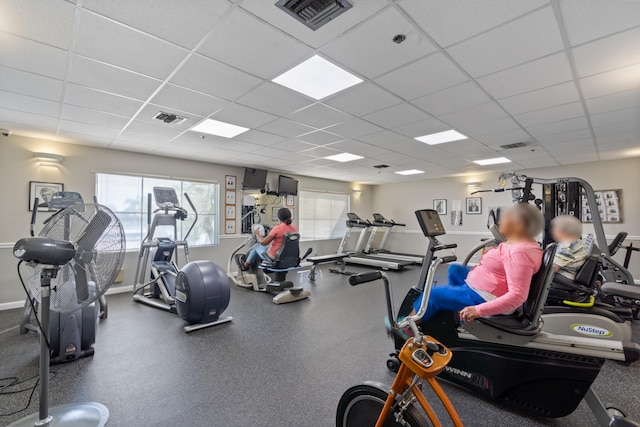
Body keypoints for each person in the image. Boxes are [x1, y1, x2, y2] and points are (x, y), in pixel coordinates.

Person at [390, 203, 544, 334]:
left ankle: (407, 328)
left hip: (486, 296)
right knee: (454, 270)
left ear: (519, 226)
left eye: (506, 218)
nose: (501, 221)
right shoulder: (522, 243)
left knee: (433, 295)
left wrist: (478, 311)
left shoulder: (519, 253)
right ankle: (455, 311)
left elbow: (517, 296)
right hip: (488, 285)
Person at [550, 215, 589, 280]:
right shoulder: (576, 241)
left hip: (565, 276)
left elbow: (554, 268)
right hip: (568, 274)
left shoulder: (567, 244)